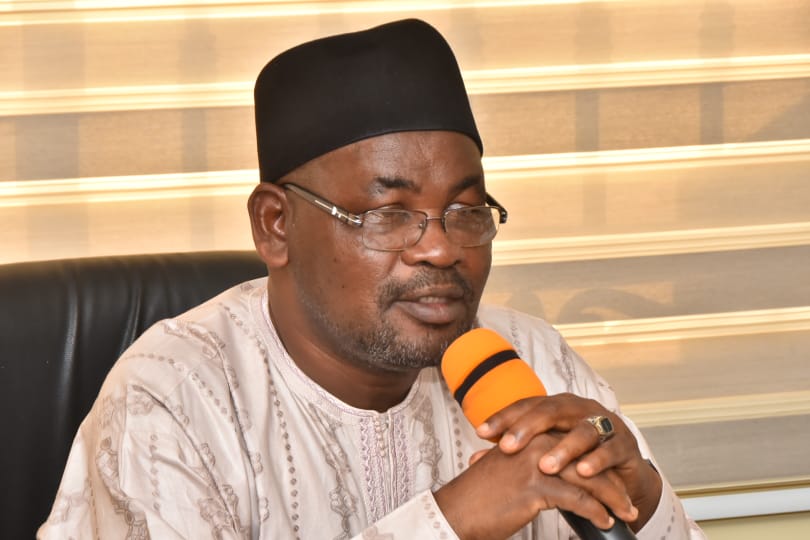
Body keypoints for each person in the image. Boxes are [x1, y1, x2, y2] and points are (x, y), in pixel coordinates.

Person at [38, 19, 706, 539]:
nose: (440, 248)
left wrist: (644, 502)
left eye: (466, 210)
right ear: (275, 226)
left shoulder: (533, 359)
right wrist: (450, 523)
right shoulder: (173, 399)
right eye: (388, 215)